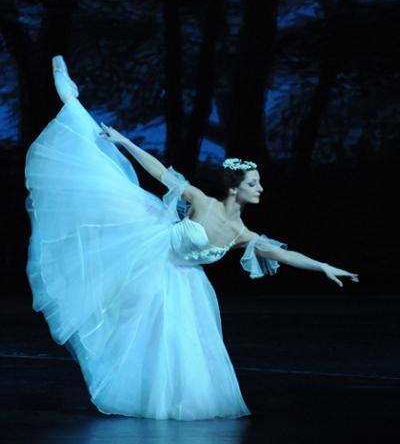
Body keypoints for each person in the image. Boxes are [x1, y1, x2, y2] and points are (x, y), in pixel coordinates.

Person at [25, 56, 359, 421]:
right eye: (253, 184)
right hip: (150, 255)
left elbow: (285, 255)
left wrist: (323, 265)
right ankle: (72, 104)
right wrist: (123, 141)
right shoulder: (202, 201)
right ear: (235, 187)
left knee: (181, 345)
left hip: (184, 283)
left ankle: (172, 402)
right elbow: (158, 172)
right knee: (106, 190)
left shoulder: (239, 233)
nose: (260, 188)